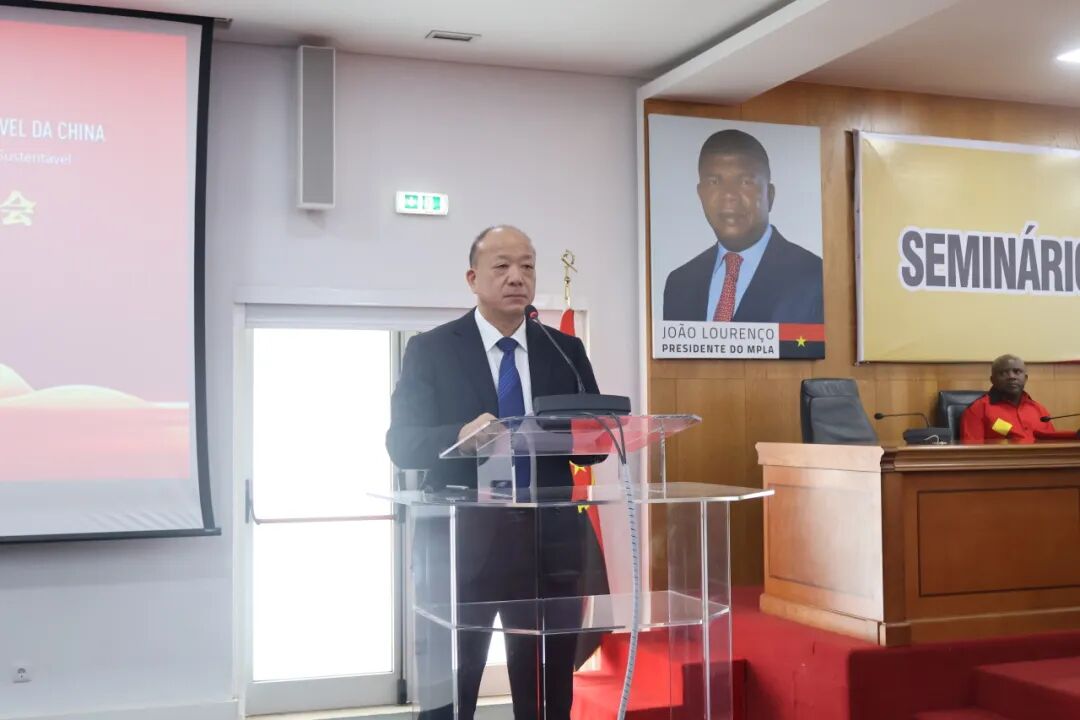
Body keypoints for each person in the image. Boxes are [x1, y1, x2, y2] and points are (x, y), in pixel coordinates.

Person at [385, 225, 607, 720]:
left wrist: (585, 433)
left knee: (546, 683)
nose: (517, 277)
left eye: (527, 266)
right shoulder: (432, 350)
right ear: (473, 278)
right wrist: (458, 435)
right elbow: (401, 443)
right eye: (502, 266)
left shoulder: (563, 350)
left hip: (549, 543)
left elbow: (596, 444)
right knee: (454, 680)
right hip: (462, 542)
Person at [662, 129, 824, 323]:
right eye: (714, 182)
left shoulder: (814, 276)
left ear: (769, 195)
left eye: (746, 182)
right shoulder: (679, 284)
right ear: (701, 194)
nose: (729, 195)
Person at [958, 354, 1074, 443]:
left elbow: (1052, 446)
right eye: (1003, 373)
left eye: (1017, 372)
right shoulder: (977, 410)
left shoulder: (1039, 410)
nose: (1011, 377)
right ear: (992, 380)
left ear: (1025, 378)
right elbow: (973, 454)